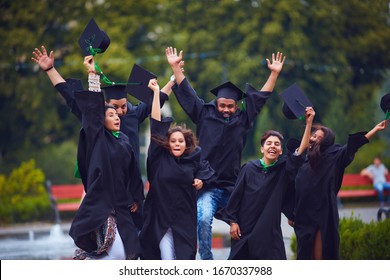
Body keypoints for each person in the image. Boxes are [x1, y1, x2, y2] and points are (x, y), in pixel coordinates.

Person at [166, 46, 286, 259]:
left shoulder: (242, 119)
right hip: (208, 186)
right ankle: (206, 262)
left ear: (236, 105)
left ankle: (238, 260)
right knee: (202, 219)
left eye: (230, 106)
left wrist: (274, 74)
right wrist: (176, 68)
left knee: (245, 220)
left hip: (233, 186)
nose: (226, 110)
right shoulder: (204, 114)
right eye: (222, 105)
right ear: (216, 103)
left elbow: (260, 98)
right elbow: (188, 93)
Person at [31, 45, 179, 161]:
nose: (120, 113)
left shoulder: (133, 113)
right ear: (106, 105)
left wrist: (174, 78)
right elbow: (69, 96)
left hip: (130, 183)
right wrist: (50, 69)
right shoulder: (96, 121)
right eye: (114, 108)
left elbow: (157, 99)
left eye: (123, 106)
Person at [68, 55, 144, 260]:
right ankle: (87, 260)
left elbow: (133, 173)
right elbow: (92, 111)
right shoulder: (98, 139)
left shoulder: (124, 141)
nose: (117, 117)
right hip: (102, 204)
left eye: (118, 115)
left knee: (132, 252)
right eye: (111, 115)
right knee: (116, 252)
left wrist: (136, 197)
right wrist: (93, 76)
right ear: (101, 120)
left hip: (121, 204)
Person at [216, 107, 315, 259]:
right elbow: (236, 196)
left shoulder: (282, 171)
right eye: (269, 143)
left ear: (281, 151)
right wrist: (233, 222)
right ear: (262, 148)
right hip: (244, 230)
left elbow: (300, 153)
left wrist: (308, 124)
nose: (273, 146)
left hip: (268, 233)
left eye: (277, 144)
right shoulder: (249, 169)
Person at [139, 78, 214, 260]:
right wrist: (156, 93)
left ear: (186, 143)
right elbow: (156, 124)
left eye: (181, 141)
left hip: (184, 221)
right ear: (168, 144)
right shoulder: (159, 159)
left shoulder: (192, 160)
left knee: (186, 259)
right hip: (160, 221)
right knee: (166, 261)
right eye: (173, 141)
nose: (177, 143)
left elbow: (205, 171)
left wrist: (199, 180)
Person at [292, 120, 388, 260]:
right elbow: (296, 189)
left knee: (322, 254)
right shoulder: (303, 162)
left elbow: (352, 146)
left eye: (320, 138)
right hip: (303, 215)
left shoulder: (334, 156)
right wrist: (292, 213)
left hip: (323, 213)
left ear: (326, 142)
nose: (315, 139)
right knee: (305, 255)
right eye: (314, 136)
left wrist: (374, 130)